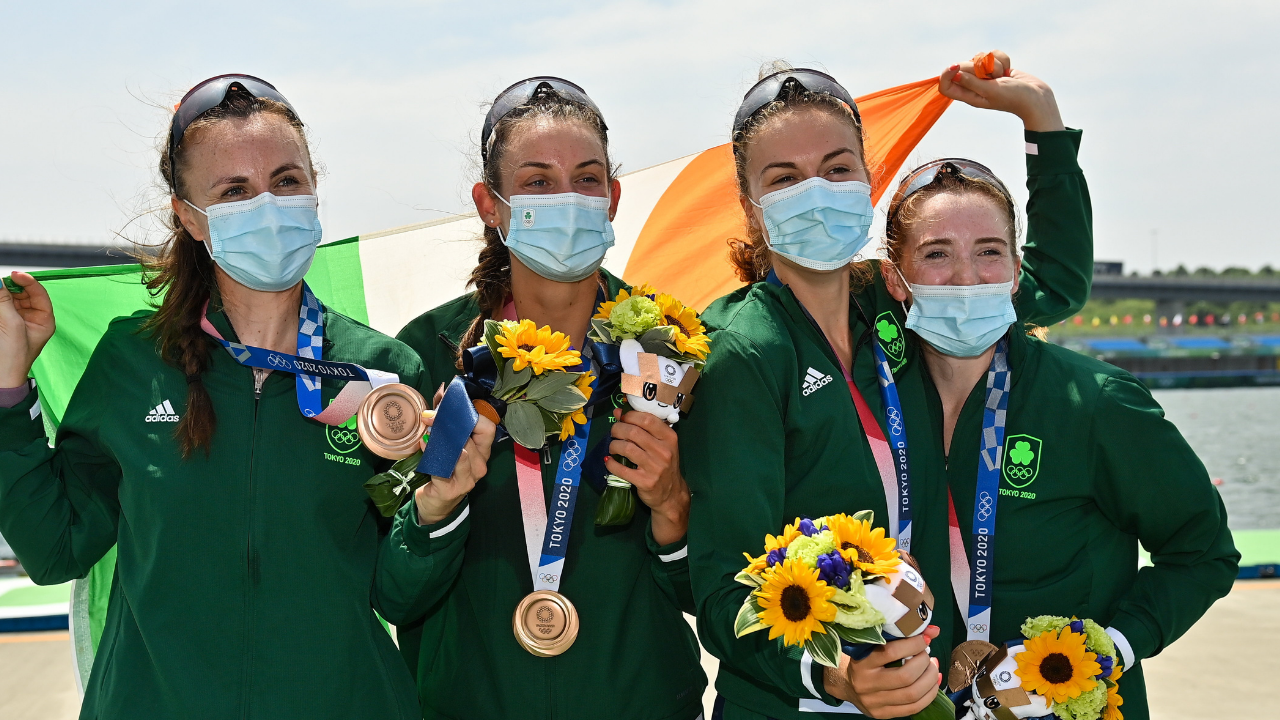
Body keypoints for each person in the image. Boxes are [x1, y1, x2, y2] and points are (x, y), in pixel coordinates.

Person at [0, 75, 492, 720]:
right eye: (233, 191)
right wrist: (8, 394)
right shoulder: (130, 361)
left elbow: (395, 597)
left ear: (314, 191)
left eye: (287, 181)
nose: (267, 204)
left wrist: (439, 507)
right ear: (188, 217)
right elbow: (53, 547)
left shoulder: (381, 374)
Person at [681, 55, 1094, 719]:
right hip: (802, 704)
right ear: (751, 208)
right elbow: (725, 590)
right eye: (785, 178)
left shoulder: (898, 299)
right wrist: (839, 676)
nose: (816, 191)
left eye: (837, 168)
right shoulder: (741, 350)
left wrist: (1039, 120)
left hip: (924, 686)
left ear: (867, 181)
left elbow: (1053, 286)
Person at [879, 134, 1238, 720]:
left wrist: (1114, 648)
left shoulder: (1096, 402)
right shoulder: (873, 406)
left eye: (989, 251)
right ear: (897, 280)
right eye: (937, 253)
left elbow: (1204, 551)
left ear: (1018, 272)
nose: (967, 277)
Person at [389, 77, 704, 720]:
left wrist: (672, 507)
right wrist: (437, 506)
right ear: (490, 204)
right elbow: (394, 594)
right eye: (536, 182)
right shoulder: (428, 352)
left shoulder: (671, 353)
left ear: (613, 198)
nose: (566, 199)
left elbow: (712, 595)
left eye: (587, 179)